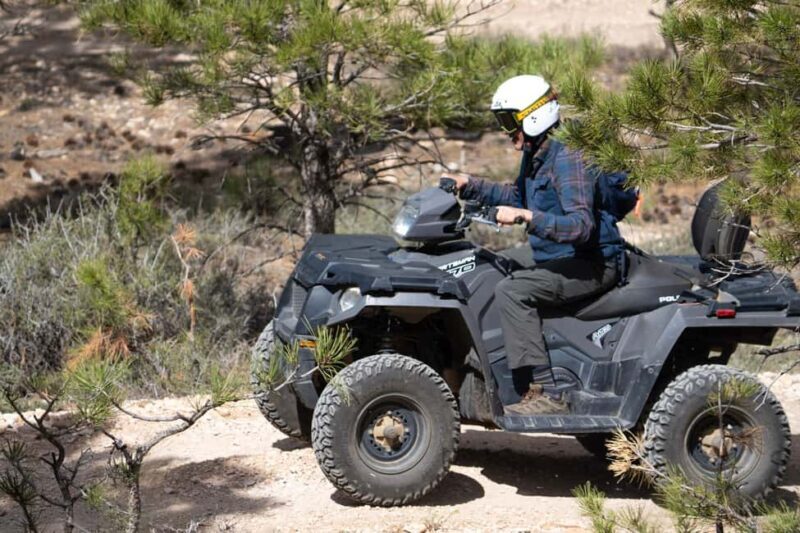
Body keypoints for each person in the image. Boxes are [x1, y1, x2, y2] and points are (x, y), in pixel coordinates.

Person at [446, 75, 624, 415]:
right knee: (489, 267)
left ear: (533, 116)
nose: (505, 131)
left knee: (513, 290)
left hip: (590, 263)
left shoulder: (568, 157)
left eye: (508, 121)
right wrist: (469, 184)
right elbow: (518, 195)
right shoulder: (537, 151)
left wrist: (526, 217)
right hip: (556, 256)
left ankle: (545, 391)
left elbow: (582, 226)